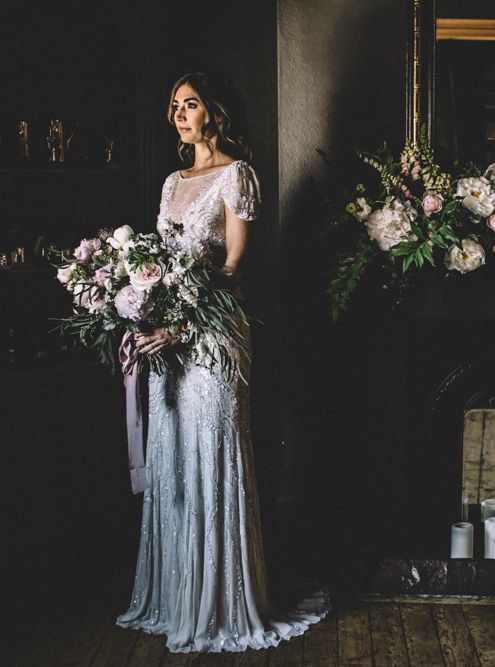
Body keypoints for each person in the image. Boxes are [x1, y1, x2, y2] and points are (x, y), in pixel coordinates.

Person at [116, 72, 329, 653]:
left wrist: (182, 323)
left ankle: (223, 602)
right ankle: (177, 596)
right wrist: (143, 309)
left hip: (211, 338)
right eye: (173, 106)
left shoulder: (238, 175)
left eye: (188, 104)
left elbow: (233, 269)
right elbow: (156, 260)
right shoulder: (170, 183)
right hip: (165, 339)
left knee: (212, 454)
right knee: (174, 459)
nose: (178, 115)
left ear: (215, 111)